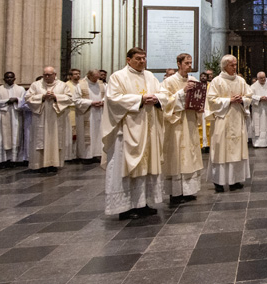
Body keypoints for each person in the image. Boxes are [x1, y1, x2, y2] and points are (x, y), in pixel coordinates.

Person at [103, 48, 165, 219]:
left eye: (144, 58)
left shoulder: (150, 76)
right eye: (138, 59)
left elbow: (162, 93)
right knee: (126, 167)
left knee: (146, 166)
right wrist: (140, 100)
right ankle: (125, 207)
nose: (142, 62)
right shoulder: (118, 77)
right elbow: (113, 99)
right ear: (128, 59)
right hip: (127, 131)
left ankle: (142, 203)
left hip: (148, 129)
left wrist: (158, 99)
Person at [158, 53, 204, 205]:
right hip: (176, 123)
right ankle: (176, 192)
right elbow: (164, 102)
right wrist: (182, 92)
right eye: (186, 63)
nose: (189, 66)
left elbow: (200, 98)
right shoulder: (169, 82)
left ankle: (189, 190)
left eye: (191, 63)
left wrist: (200, 106)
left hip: (190, 120)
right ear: (179, 64)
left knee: (191, 154)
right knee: (177, 154)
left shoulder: (194, 80)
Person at [205, 55, 253, 192]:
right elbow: (211, 100)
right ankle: (219, 182)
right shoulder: (217, 81)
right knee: (221, 150)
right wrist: (228, 101)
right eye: (232, 65)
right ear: (225, 66)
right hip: (222, 120)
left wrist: (242, 100)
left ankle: (235, 180)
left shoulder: (241, 80)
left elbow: (249, 96)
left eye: (236, 65)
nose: (235, 67)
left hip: (237, 119)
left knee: (237, 149)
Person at [26, 67, 71, 173]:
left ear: (55, 75)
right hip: (40, 117)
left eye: (49, 75)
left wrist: (56, 97)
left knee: (55, 139)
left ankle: (54, 164)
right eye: (45, 74)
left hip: (56, 118)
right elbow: (28, 98)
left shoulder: (62, 85)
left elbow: (69, 98)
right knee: (40, 140)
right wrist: (42, 97)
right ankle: (39, 164)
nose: (47, 77)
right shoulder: (36, 85)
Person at [0, 72, 25, 168]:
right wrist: (6, 101)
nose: (9, 79)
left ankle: (14, 160)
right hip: (2, 116)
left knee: (15, 136)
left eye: (11, 77)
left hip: (15, 116)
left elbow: (24, 101)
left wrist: (17, 100)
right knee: (1, 137)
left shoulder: (20, 89)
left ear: (15, 78)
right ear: (4, 79)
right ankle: (1, 160)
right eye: (7, 77)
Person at [77, 70, 105, 163]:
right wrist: (91, 103)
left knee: (99, 133)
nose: (97, 79)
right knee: (88, 134)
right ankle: (86, 156)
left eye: (98, 77)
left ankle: (98, 154)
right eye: (95, 77)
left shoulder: (101, 84)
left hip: (100, 112)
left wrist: (103, 101)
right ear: (89, 76)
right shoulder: (80, 85)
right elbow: (76, 100)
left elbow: (107, 95)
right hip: (87, 112)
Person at [249, 71, 267, 148]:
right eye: (261, 78)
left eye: (264, 77)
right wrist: (259, 98)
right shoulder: (253, 87)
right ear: (257, 78)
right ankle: (257, 142)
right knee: (258, 124)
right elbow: (250, 96)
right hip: (258, 109)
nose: (263, 79)